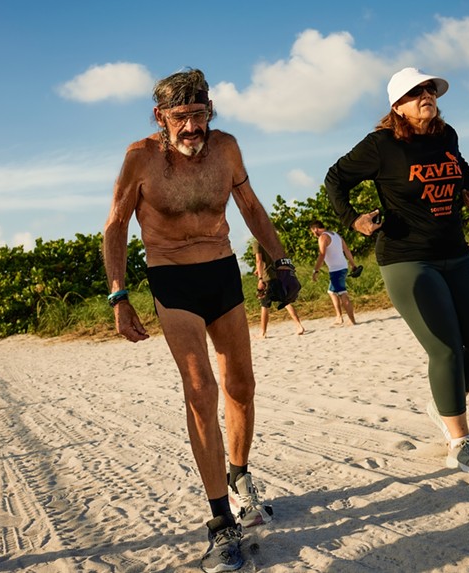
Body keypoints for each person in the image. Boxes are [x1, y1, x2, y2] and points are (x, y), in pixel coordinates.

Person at [103, 68, 300, 572]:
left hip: (220, 270)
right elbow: (116, 225)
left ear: (210, 112)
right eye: (180, 118)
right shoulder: (139, 158)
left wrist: (281, 260)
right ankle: (219, 523)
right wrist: (119, 295)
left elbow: (251, 206)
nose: (191, 128)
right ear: (160, 117)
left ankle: (239, 478)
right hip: (171, 278)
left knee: (241, 385)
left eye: (199, 115)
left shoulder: (227, 148)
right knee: (200, 389)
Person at [324, 67, 469, 474]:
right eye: (416, 92)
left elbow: (458, 164)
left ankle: (443, 402)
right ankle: (461, 443)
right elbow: (335, 178)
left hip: (456, 251)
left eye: (430, 89)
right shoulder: (381, 145)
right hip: (407, 258)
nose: (427, 95)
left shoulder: (446, 134)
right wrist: (352, 219)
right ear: (397, 107)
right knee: (446, 347)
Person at [309, 221, 359, 325]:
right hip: (342, 267)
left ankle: (352, 320)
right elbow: (346, 249)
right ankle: (339, 317)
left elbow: (322, 255)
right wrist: (353, 264)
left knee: (342, 293)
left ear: (315, 229)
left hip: (337, 270)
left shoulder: (322, 237)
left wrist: (315, 270)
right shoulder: (335, 234)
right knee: (331, 292)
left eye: (312, 231)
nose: (313, 234)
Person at [253, 239, 305, 337]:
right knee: (285, 301)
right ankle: (299, 325)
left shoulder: (257, 243)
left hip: (267, 278)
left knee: (264, 304)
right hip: (278, 275)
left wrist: (260, 278)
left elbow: (258, 260)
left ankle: (263, 333)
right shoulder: (271, 242)